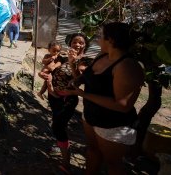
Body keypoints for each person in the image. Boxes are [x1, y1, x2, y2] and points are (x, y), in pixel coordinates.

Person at [61, 22, 144, 175]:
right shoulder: (102, 55)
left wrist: (82, 94)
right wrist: (76, 80)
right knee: (93, 151)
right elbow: (88, 77)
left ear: (111, 40)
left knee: (113, 165)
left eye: (100, 35)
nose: (98, 39)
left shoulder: (127, 66)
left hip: (113, 125)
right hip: (91, 116)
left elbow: (122, 105)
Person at [41, 32, 91, 173]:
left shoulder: (85, 61)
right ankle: (61, 144)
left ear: (85, 46)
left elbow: (79, 80)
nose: (77, 44)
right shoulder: (62, 57)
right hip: (53, 96)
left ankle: (66, 163)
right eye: (75, 41)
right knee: (58, 124)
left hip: (68, 99)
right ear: (70, 43)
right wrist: (44, 73)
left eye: (81, 42)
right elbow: (50, 67)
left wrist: (72, 62)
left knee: (57, 126)